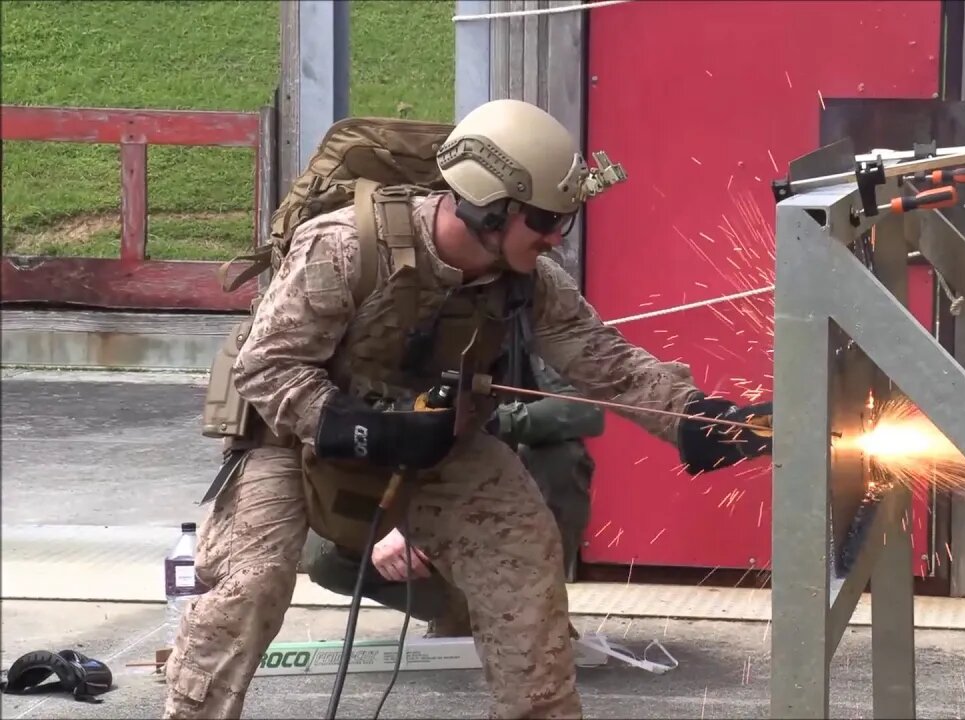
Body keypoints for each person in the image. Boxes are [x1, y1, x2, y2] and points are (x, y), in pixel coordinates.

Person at [163, 98, 772, 720]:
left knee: (524, 558)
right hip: (292, 436)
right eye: (541, 219)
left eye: (565, 218)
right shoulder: (344, 246)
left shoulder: (528, 277)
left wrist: (696, 418)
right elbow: (266, 367)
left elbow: (601, 358)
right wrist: (367, 431)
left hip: (438, 442)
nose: (556, 235)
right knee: (249, 586)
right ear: (487, 206)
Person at [300, 357, 603, 636]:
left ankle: (535, 606)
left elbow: (586, 408)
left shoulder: (525, 308)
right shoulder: (388, 320)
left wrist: (494, 424)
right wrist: (391, 523)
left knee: (561, 457)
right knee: (323, 553)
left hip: (500, 481)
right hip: (413, 474)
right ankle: (461, 611)